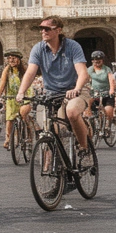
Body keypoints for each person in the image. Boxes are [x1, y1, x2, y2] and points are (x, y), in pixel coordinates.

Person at [15, 16, 91, 163]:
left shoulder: (72, 46)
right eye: (41, 29)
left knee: (72, 112)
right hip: (51, 94)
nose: (43, 31)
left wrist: (76, 88)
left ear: (58, 30)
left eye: (47, 29)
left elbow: (83, 73)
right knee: (49, 128)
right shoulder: (38, 48)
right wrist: (21, 91)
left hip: (75, 90)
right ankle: (56, 165)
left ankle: (83, 148)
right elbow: (30, 72)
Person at [0, 50, 30, 149]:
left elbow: (29, 82)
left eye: (13, 58)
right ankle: (7, 138)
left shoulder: (24, 70)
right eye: (9, 58)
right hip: (11, 98)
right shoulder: (7, 70)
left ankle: (29, 136)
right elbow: (2, 83)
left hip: (25, 96)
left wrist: (28, 95)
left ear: (19, 59)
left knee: (24, 115)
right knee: (9, 119)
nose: (11, 60)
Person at [86, 51, 116, 124]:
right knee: (88, 102)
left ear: (102, 60)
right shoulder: (90, 69)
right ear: (92, 61)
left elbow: (111, 79)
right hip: (95, 92)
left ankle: (107, 124)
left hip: (106, 92)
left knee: (108, 110)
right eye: (95, 60)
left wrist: (112, 89)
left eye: (99, 60)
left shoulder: (106, 69)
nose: (97, 62)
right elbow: (85, 79)